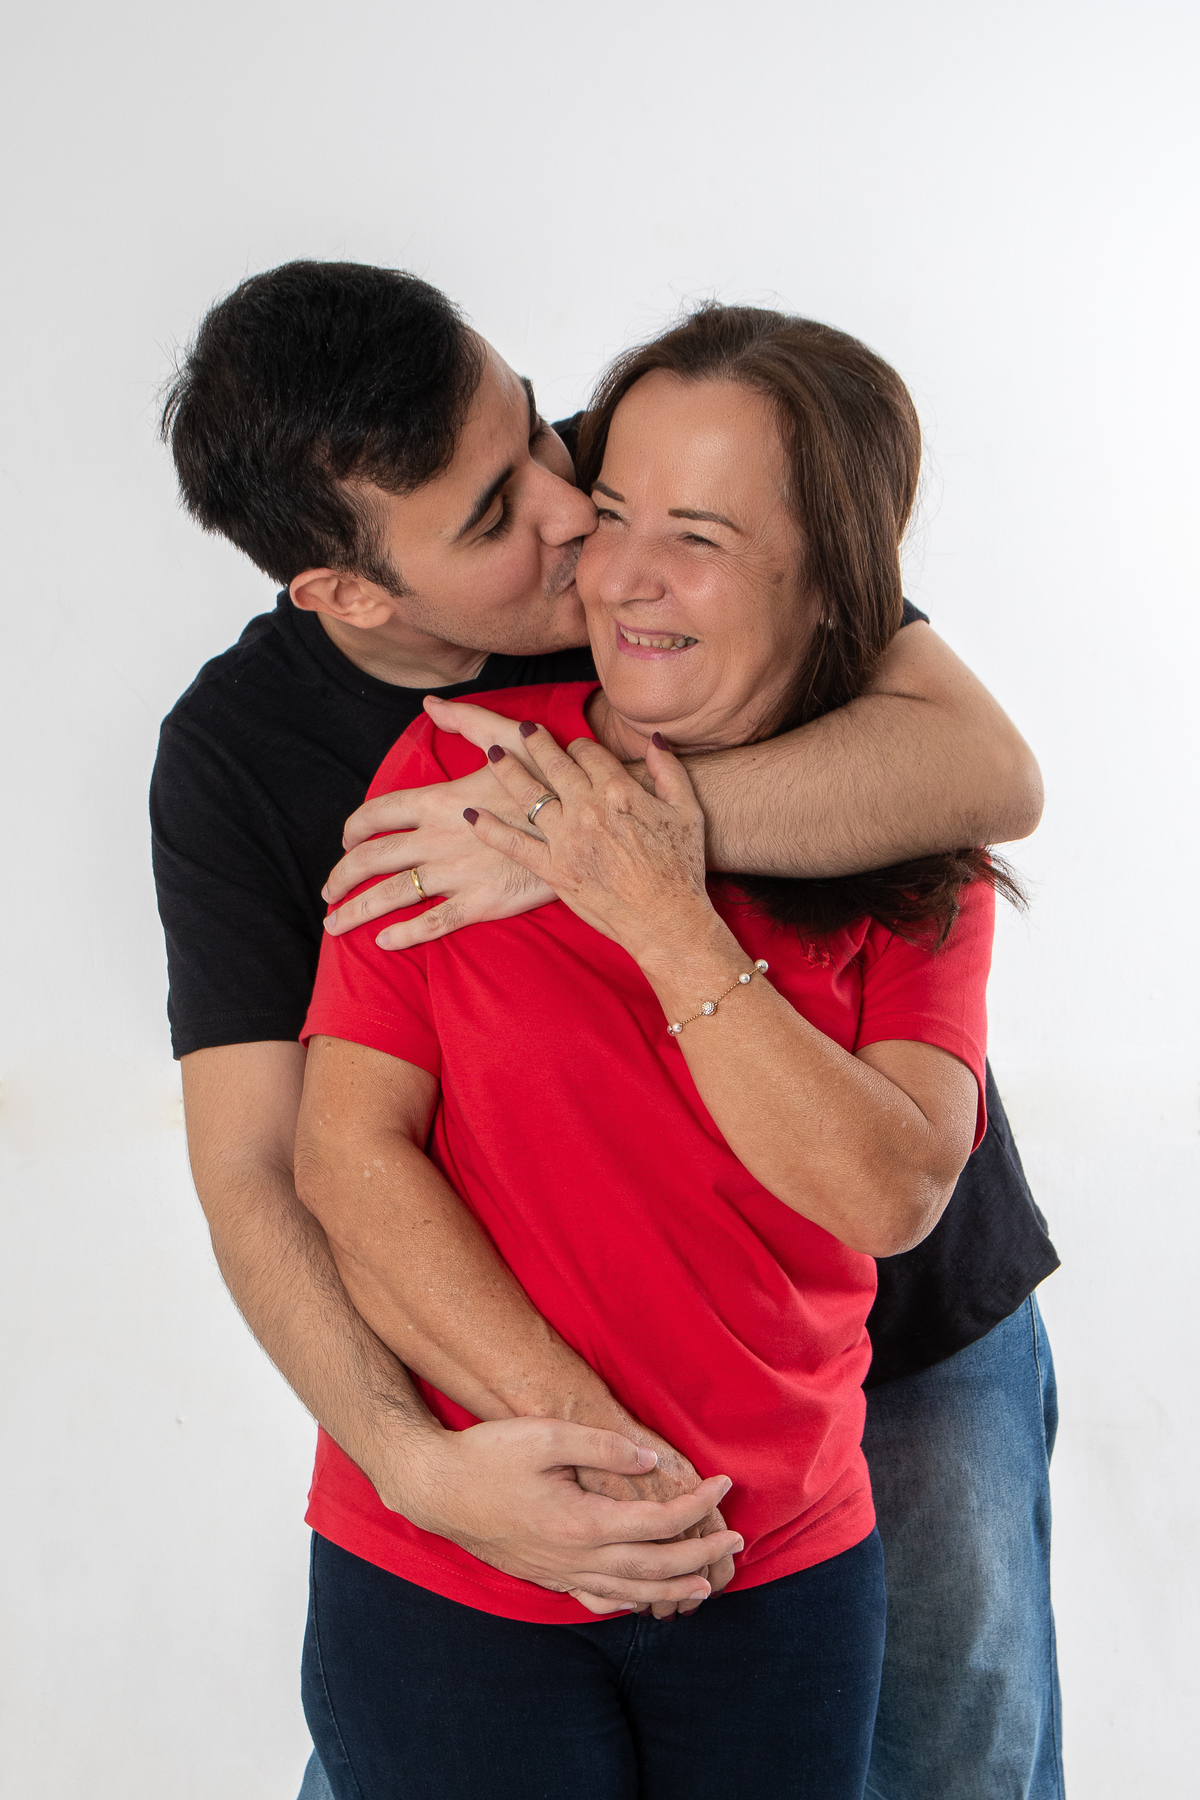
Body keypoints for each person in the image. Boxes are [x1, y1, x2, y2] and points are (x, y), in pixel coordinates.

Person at [151, 263, 1060, 1800]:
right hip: (519, 1401)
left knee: (955, 1747)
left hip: (891, 1336)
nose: (576, 526)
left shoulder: (656, 495)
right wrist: (412, 1459)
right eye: (494, 515)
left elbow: (985, 772)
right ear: (350, 593)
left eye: (535, 435)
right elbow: (271, 1169)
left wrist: (606, 839)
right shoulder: (249, 757)